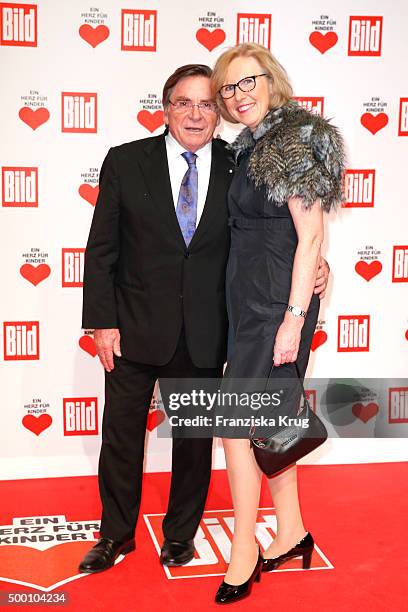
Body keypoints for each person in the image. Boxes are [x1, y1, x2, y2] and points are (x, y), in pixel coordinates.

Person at [79, 63, 331, 574]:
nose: (195, 113)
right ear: (165, 108)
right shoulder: (126, 162)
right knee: (122, 436)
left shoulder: (242, 164)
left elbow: (280, 226)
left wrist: (317, 264)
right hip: (133, 323)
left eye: (206, 103)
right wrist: (101, 321)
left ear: (218, 114)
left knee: (194, 442)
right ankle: (114, 535)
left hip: (207, 328)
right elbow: (101, 247)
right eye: (183, 102)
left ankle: (180, 535)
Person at [210, 44, 345, 604]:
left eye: (249, 82)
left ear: (272, 81)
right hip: (252, 300)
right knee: (269, 421)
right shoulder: (251, 147)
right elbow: (303, 235)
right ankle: (290, 531)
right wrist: (314, 269)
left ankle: (244, 549)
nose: (239, 95)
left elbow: (309, 232)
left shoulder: (293, 140)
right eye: (229, 88)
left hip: (273, 306)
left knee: (237, 430)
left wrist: (293, 318)